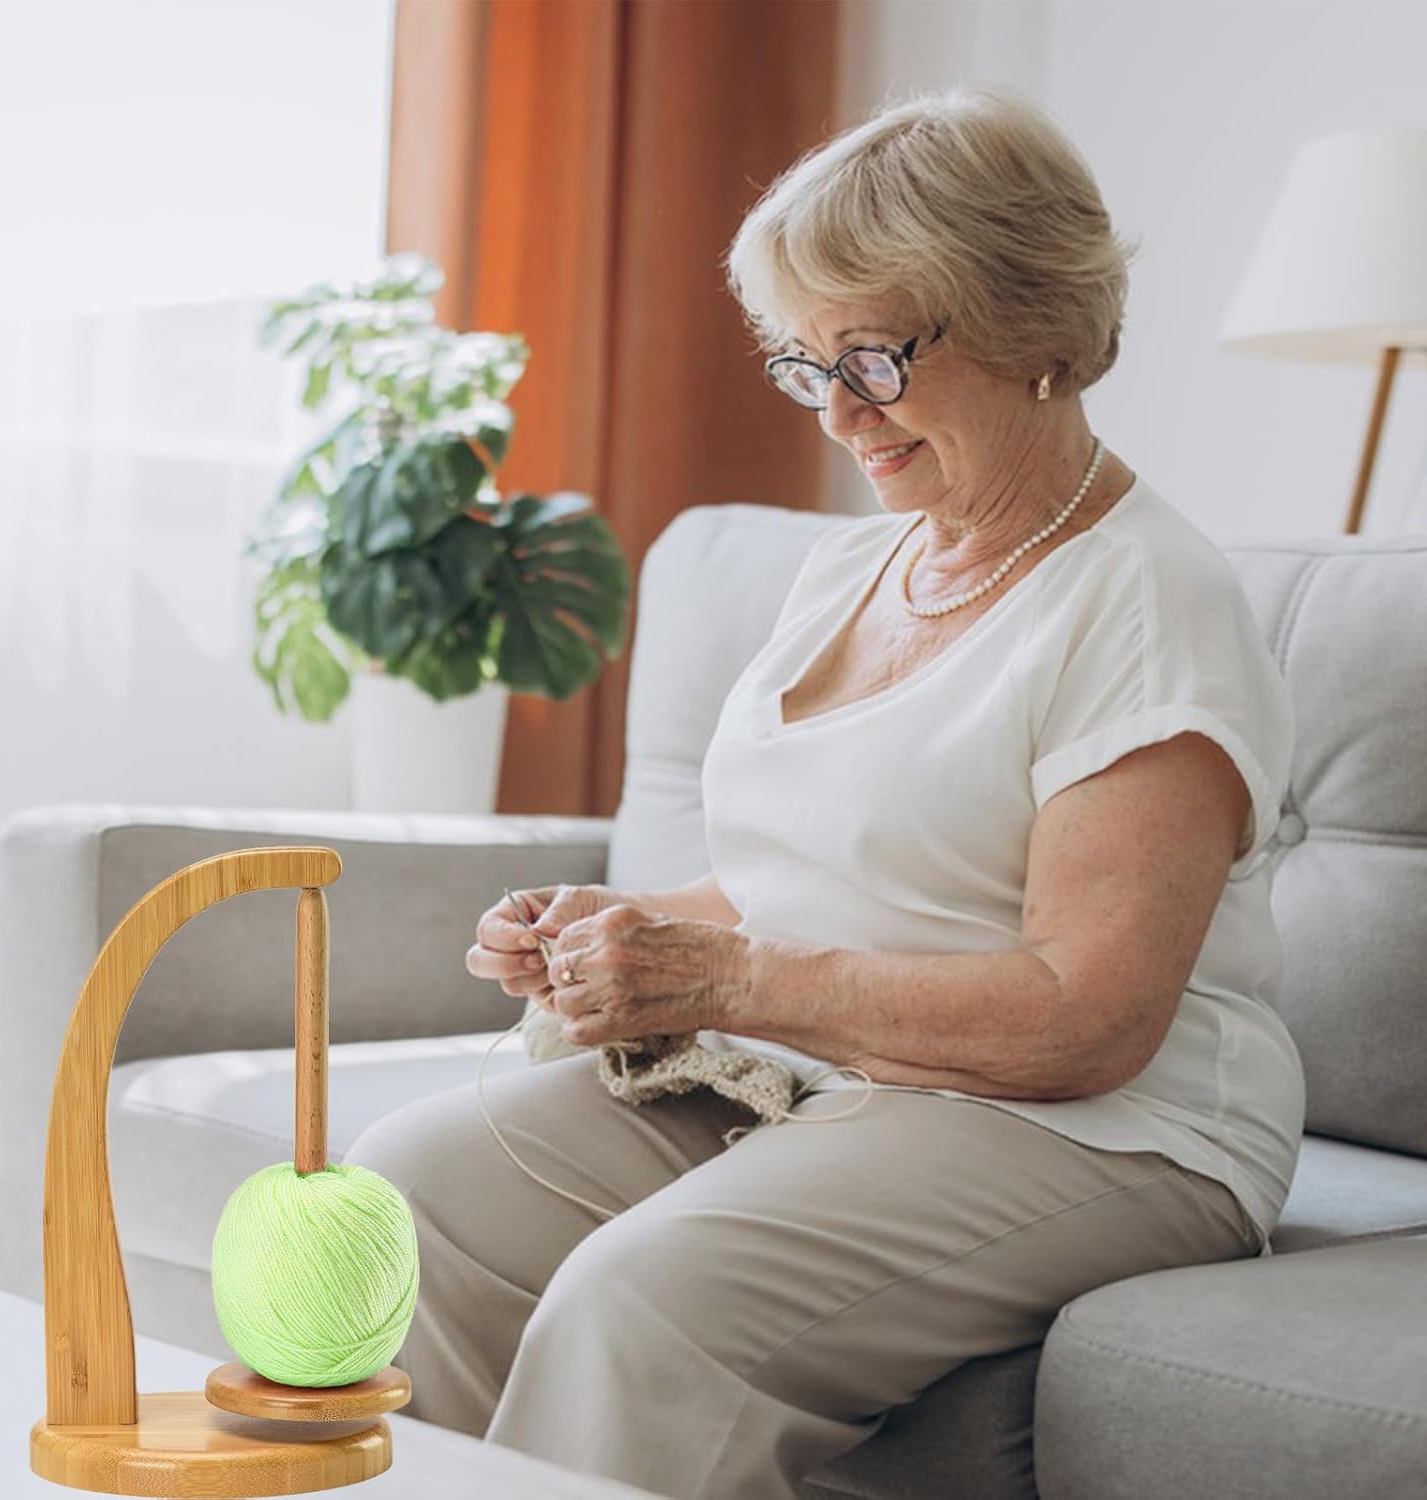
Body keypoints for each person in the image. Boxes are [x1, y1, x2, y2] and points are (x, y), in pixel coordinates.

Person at [346, 85, 1303, 1499]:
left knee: (647, 1306)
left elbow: (1088, 1019)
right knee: (412, 1192)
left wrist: (722, 977)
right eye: (807, 364)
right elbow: (831, 875)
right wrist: (619, 931)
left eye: (874, 357)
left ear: (1031, 324)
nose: (842, 414)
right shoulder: (855, 565)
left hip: (1107, 1125)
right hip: (841, 1069)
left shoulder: (1148, 599)